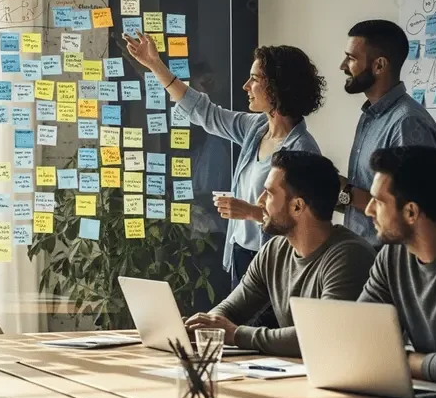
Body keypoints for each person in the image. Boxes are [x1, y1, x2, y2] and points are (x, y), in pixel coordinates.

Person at [124, 32, 325, 289]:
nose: (246, 86)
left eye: (254, 79)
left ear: (278, 86)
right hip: (241, 255)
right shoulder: (255, 128)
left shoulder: (303, 149)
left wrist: (251, 212)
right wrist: (154, 64)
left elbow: (305, 225)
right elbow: (203, 111)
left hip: (274, 265)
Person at [185, 151, 375, 357]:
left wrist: (236, 335)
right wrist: (205, 326)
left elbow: (320, 336)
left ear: (297, 206)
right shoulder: (274, 250)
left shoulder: (349, 257)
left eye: (269, 193)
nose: (260, 201)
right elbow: (231, 310)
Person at [337, 20, 436, 249]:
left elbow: (413, 210)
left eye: (351, 58)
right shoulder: (371, 116)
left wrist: (345, 192)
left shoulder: (407, 123)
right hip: (364, 254)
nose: (342, 66)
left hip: (392, 260)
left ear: (379, 65)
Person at [359, 146, 436, 385]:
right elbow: (361, 335)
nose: (368, 210)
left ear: (411, 212)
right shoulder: (391, 256)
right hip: (431, 392)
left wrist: (405, 362)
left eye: (378, 201)